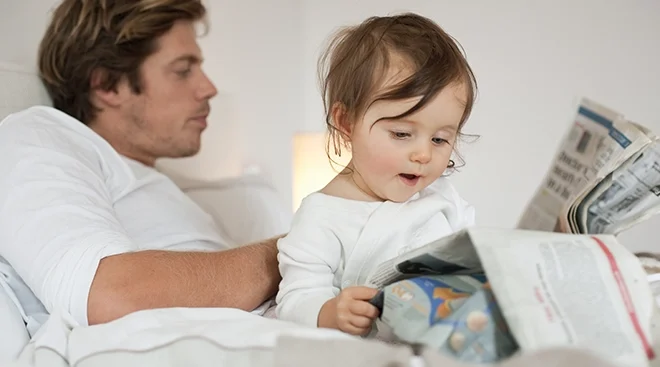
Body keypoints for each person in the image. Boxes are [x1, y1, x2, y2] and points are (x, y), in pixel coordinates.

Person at [0, 0, 281, 329]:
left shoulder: (168, 187)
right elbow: (108, 296)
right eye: (182, 70)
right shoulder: (38, 136)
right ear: (106, 83)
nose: (209, 88)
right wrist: (295, 251)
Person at [275, 13, 478, 337]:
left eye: (440, 139)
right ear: (346, 122)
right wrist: (330, 312)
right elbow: (295, 299)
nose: (424, 154)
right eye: (401, 133)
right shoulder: (322, 216)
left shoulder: (442, 197)